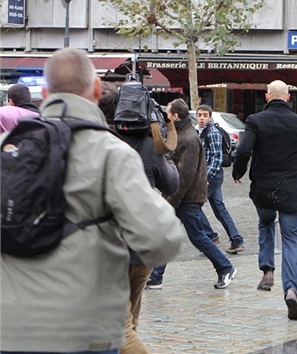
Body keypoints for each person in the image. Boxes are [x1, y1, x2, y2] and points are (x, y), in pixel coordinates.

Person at [0, 48, 184, 354]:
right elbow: (161, 239)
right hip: (83, 331)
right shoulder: (111, 152)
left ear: (45, 93)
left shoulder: (8, 148)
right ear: (96, 90)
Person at [97, 80, 180, 354]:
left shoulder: (96, 140)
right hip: (141, 245)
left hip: (107, 247)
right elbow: (171, 184)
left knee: (118, 325)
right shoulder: (149, 143)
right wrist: (163, 154)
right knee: (130, 317)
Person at [232, 80, 297, 320]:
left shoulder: (255, 121)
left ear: (266, 97)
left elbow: (242, 151)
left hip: (264, 188)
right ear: (287, 97)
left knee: (265, 223)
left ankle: (267, 270)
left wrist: (238, 172)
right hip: (291, 189)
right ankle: (292, 290)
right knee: (292, 239)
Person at [149, 99, 237, 290]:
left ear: (175, 116)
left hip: (186, 198)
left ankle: (226, 267)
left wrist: (172, 200)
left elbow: (185, 175)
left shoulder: (188, 138)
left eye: (168, 114)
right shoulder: (181, 134)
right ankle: (156, 276)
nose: (166, 118)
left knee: (198, 236)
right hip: (181, 197)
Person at [196, 104, 245, 254]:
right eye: (199, 115)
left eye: (205, 115)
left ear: (210, 117)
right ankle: (236, 240)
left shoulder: (212, 132)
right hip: (210, 176)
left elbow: (216, 158)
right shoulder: (200, 131)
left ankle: (211, 238)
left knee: (193, 207)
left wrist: (207, 177)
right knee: (219, 208)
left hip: (211, 176)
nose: (202, 118)